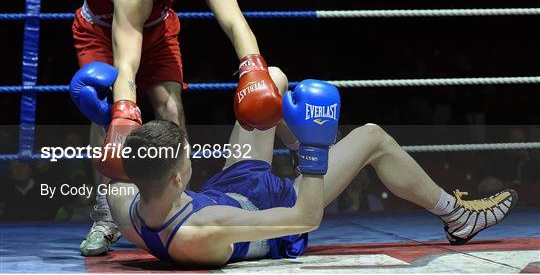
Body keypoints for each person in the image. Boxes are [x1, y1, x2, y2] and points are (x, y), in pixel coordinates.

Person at [100, 68, 517, 267]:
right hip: (275, 209)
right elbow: (306, 217)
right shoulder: (199, 231)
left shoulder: (128, 203)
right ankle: (456, 216)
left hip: (228, 190)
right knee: (371, 135)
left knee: (272, 83)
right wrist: (316, 152)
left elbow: (115, 178)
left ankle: (308, 145)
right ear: (176, 177)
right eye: (186, 159)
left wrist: (110, 121)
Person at [69, 0, 282, 255]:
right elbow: (127, 62)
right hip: (101, 34)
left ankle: (178, 199)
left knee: (171, 107)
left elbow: (234, 21)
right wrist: (125, 114)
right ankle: (106, 217)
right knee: (108, 112)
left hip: (158, 27)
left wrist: (254, 69)